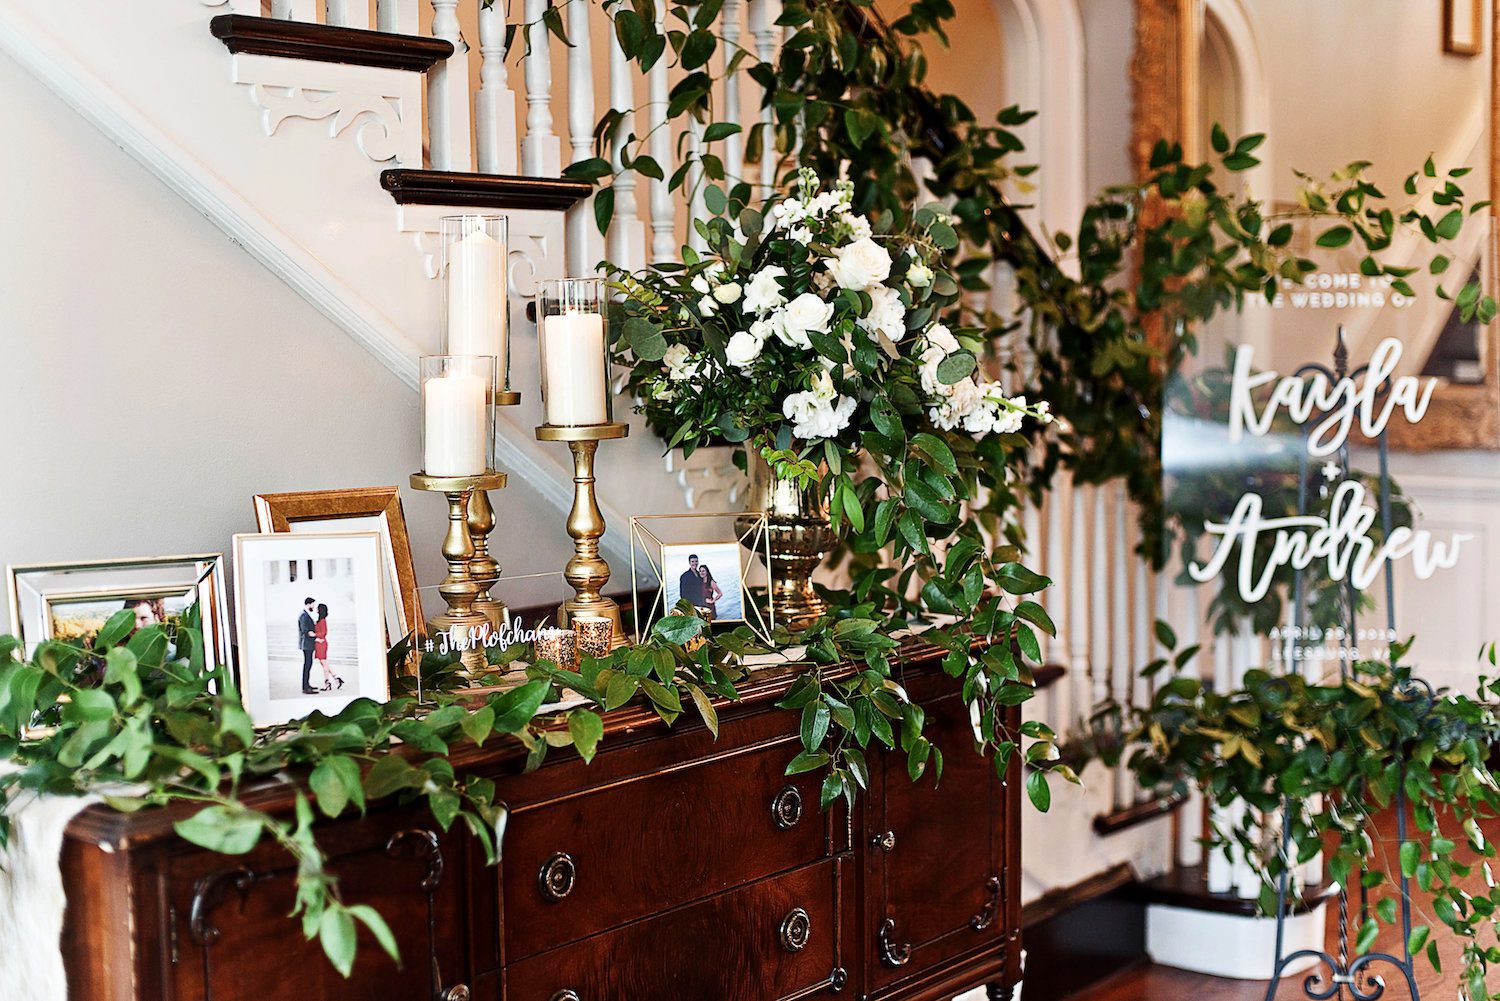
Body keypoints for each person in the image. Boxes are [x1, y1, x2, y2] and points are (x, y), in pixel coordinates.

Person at [314, 603, 343, 692]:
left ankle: (327, 684)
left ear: (320, 610)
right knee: (324, 663)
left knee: (324, 663)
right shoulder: (320, 620)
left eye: (318, 608)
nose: (316, 610)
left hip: (321, 644)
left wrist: (315, 635)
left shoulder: (322, 620)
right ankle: (337, 678)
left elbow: (324, 633)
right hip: (319, 644)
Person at [297, 597, 319, 695]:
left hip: (308, 644)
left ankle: (307, 685)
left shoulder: (305, 615)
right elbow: (307, 631)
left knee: (308, 665)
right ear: (308, 604)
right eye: (313, 604)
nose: (314, 607)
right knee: (307, 665)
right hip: (307, 644)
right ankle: (305, 688)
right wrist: (318, 636)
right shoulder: (304, 616)